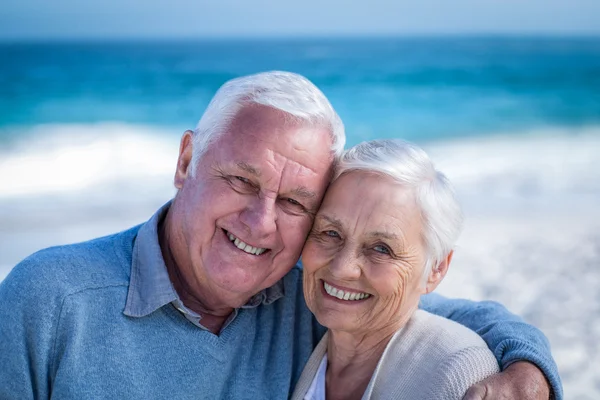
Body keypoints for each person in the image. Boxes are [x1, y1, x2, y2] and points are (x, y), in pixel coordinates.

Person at [0, 71, 561, 399]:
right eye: (242, 180)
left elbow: (437, 309)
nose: (260, 221)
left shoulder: (311, 296)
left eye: (295, 202)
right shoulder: (49, 300)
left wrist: (527, 370)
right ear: (187, 160)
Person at [292, 139, 497, 400]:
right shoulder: (296, 342)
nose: (342, 268)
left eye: (381, 249)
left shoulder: (460, 375)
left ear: (436, 269)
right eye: (331, 233)